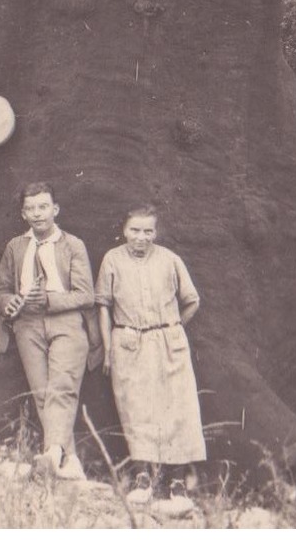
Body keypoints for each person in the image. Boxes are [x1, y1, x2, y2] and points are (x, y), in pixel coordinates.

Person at [0, 182, 102, 480]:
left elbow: (86, 294)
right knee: (42, 392)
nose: (37, 214)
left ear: (55, 209)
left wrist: (51, 300)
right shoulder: (16, 246)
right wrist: (8, 303)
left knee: (61, 387)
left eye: (43, 207)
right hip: (26, 323)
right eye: (30, 208)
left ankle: (52, 453)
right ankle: (71, 462)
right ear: (23, 213)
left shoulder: (72, 244)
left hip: (65, 320)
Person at [95, 204, 206, 489]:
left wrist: (173, 327)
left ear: (156, 232)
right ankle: (142, 474)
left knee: (177, 407)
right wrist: (108, 350)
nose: (141, 237)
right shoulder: (112, 260)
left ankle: (177, 479)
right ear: (124, 230)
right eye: (134, 230)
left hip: (168, 342)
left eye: (148, 231)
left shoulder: (170, 259)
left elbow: (192, 300)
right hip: (129, 341)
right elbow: (104, 306)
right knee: (136, 406)